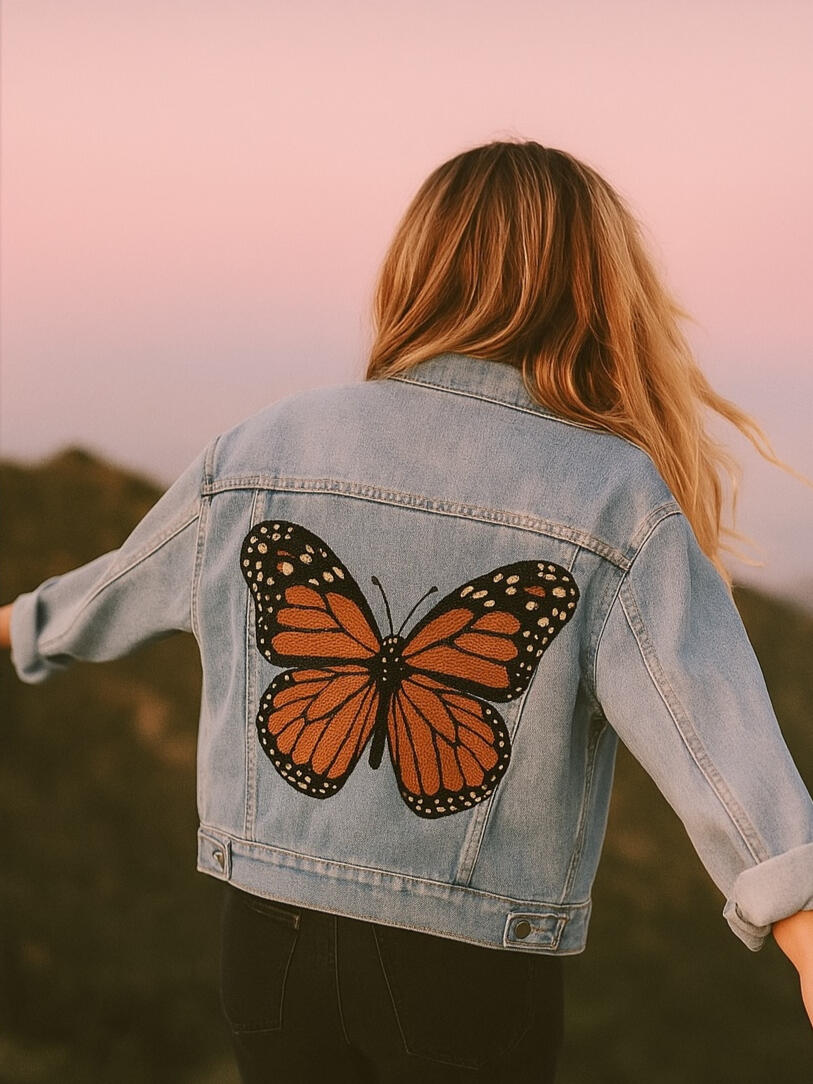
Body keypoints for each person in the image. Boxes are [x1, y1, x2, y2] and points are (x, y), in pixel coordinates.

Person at [2, 138, 812, 1083]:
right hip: (469, 970)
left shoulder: (263, 446)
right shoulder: (611, 498)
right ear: (598, 293)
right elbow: (707, 723)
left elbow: (108, 591)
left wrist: (20, 624)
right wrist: (800, 924)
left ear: (416, 268)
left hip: (268, 946)